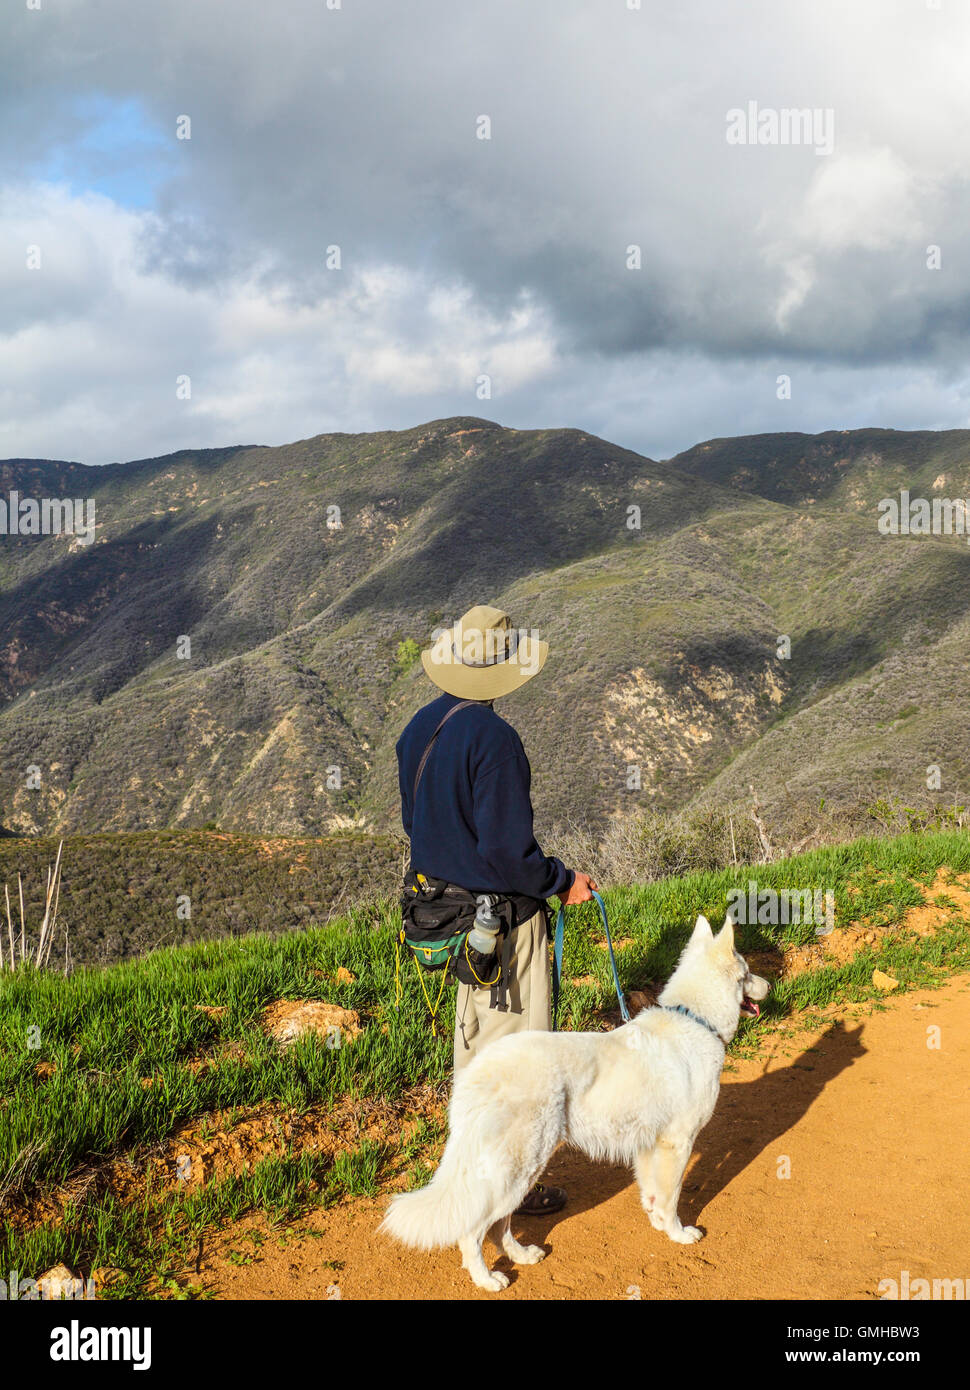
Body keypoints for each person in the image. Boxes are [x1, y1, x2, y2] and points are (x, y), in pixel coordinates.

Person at [396, 604, 597, 1215]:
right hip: (505, 921)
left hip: (447, 918)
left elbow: (416, 824)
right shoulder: (497, 741)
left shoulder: (418, 729)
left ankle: (468, 1171)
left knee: (478, 1047)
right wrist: (562, 881)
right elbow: (511, 854)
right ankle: (504, 1192)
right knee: (521, 1058)